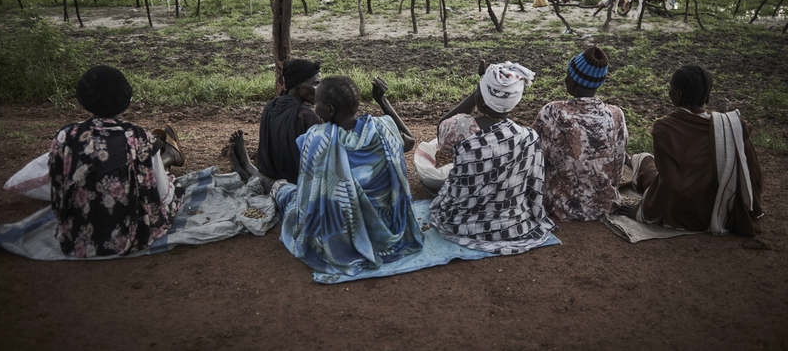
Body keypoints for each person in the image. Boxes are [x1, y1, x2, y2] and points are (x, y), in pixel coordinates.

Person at [230, 75, 424, 276]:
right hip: (385, 226)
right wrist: (382, 101)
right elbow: (409, 141)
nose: (314, 107)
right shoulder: (382, 128)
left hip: (342, 229)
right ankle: (250, 171)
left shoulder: (318, 138)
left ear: (329, 110)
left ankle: (252, 172)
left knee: (289, 193)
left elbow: (308, 193)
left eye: (317, 103)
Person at [48, 65, 185, 258]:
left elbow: (57, 195)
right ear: (128, 100)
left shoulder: (64, 137)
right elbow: (163, 196)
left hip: (76, 241)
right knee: (176, 186)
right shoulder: (138, 137)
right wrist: (170, 184)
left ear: (82, 100)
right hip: (135, 238)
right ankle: (166, 160)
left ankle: (165, 159)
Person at [430, 61, 556, 254]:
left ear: (480, 97)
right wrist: (484, 89)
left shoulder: (459, 128)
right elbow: (533, 186)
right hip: (513, 225)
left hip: (460, 223)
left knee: (449, 185)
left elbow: (442, 130)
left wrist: (478, 90)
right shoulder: (528, 137)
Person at [628, 64, 763, 235]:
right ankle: (633, 162)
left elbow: (669, 184)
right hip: (723, 206)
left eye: (671, 88)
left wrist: (641, 210)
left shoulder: (665, 127)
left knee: (646, 162)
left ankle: (633, 161)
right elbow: (754, 173)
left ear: (678, 94)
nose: (669, 92)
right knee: (647, 166)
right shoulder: (731, 127)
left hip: (686, 212)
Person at [531, 46, 628, 221]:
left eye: (568, 74)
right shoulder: (616, 114)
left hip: (561, 208)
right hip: (605, 206)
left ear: (573, 81)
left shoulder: (553, 112)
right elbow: (617, 166)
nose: (566, 78)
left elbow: (532, 159)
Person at [256, 59, 322, 184]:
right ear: (298, 84)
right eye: (315, 84)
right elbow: (317, 161)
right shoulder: (307, 116)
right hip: (298, 184)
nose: (319, 89)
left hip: (269, 178)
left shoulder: (270, 106)